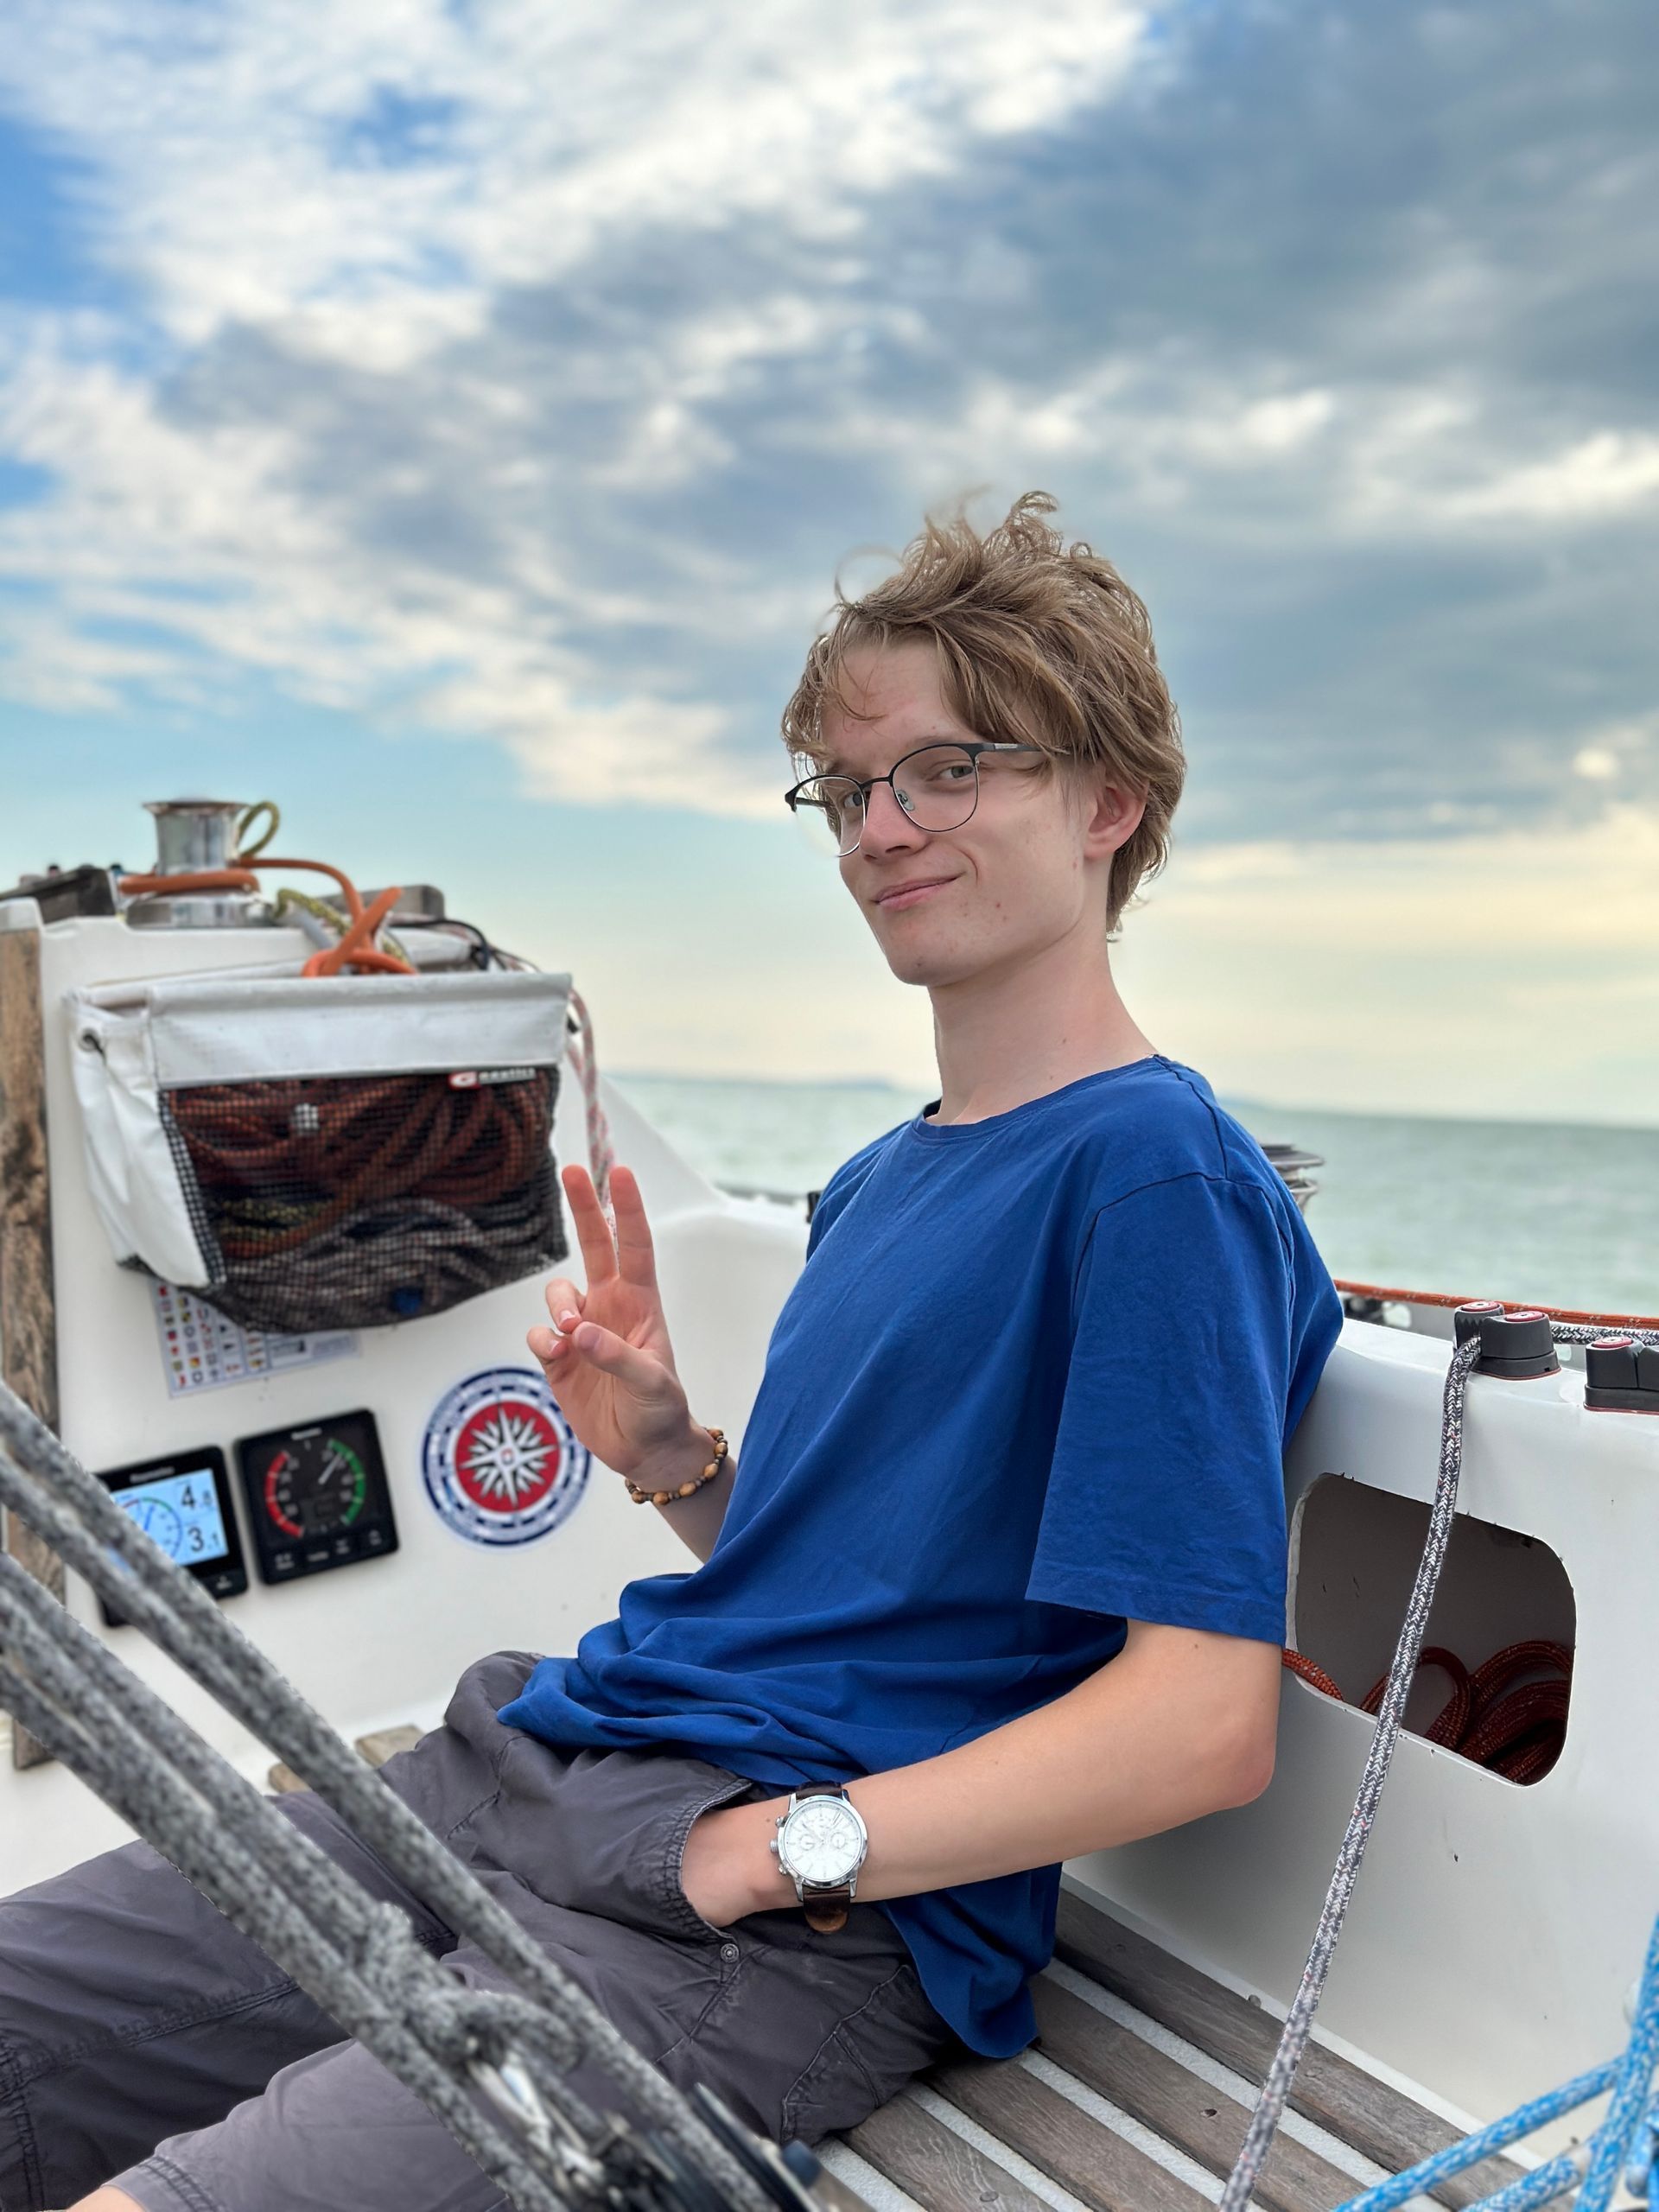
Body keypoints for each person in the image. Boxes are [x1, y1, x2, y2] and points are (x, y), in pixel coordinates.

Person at [6, 491, 1341, 2212]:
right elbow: (860, 1594)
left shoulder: (1151, 1170)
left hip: (770, 1923)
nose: (880, 826)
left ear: (1109, 797)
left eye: (947, 768)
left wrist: (781, 1852)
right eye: (851, 790)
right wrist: (673, 1461)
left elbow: (1202, 1720)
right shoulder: (886, 1172)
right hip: (523, 1771)